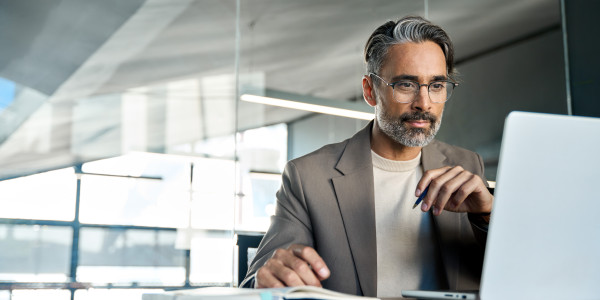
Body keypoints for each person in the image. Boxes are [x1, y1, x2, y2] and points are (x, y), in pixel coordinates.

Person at [240, 16, 494, 298]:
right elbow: (259, 278)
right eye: (406, 85)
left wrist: (488, 216)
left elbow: (509, 271)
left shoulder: (467, 166)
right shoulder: (308, 177)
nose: (424, 103)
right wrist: (267, 280)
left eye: (436, 86)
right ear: (370, 90)